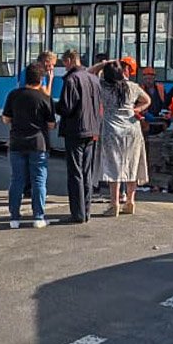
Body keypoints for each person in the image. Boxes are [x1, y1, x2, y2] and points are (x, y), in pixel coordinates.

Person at [2, 63, 56, 229]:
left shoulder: (13, 95)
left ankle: (14, 218)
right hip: (38, 143)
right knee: (39, 180)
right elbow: (51, 124)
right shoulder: (44, 98)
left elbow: (5, 119)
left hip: (17, 142)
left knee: (17, 180)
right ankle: (38, 217)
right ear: (41, 79)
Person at [95, 61, 151, 216]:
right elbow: (147, 100)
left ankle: (114, 204)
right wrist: (136, 109)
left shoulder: (103, 87)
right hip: (132, 130)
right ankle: (130, 202)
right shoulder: (132, 87)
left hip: (112, 130)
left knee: (114, 167)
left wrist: (102, 64)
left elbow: (89, 73)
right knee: (131, 164)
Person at [55, 49, 103, 223]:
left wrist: (53, 105)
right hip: (92, 130)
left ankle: (77, 214)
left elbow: (66, 107)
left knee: (75, 173)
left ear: (69, 60)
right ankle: (87, 212)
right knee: (86, 172)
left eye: (64, 62)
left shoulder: (71, 79)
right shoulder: (94, 78)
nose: (63, 66)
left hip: (75, 130)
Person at [138, 66, 167, 132]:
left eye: (150, 79)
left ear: (154, 78)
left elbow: (165, 103)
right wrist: (144, 113)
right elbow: (137, 106)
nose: (148, 81)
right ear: (143, 79)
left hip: (160, 118)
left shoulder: (160, 88)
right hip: (146, 120)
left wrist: (164, 113)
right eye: (146, 79)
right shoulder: (140, 90)